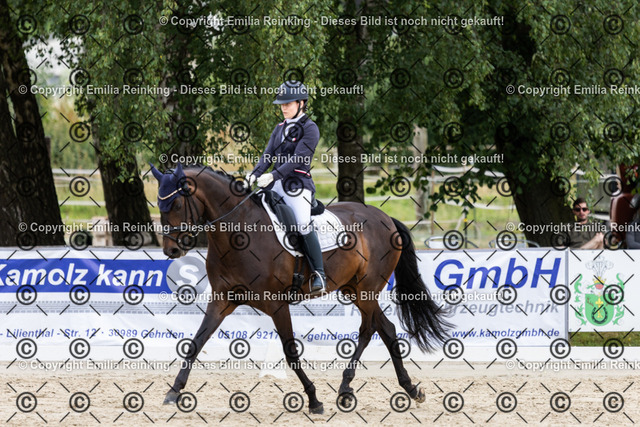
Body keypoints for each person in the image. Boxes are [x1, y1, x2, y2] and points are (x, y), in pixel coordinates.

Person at [245, 81, 326, 295]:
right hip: (274, 183)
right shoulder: (279, 128)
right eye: (281, 104)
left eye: (287, 103)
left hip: (298, 184)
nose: (283, 107)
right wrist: (254, 174)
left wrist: (273, 175)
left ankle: (319, 273)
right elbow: (267, 155)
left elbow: (299, 158)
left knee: (302, 223)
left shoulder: (310, 128)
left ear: (301, 103)